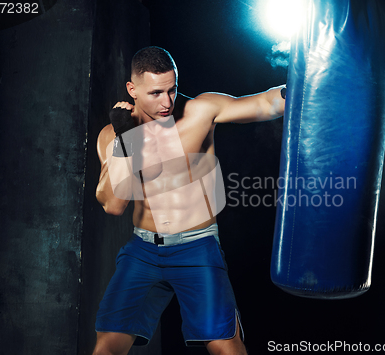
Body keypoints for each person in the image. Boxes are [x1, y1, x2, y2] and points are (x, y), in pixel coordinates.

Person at [93, 46, 285, 355]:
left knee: (225, 345)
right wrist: (126, 138)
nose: (167, 102)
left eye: (172, 90)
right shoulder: (111, 135)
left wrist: (306, 86)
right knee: (107, 346)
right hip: (143, 250)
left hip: (196, 246)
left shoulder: (199, 111)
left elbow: (265, 104)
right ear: (132, 90)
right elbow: (114, 204)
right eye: (156, 93)